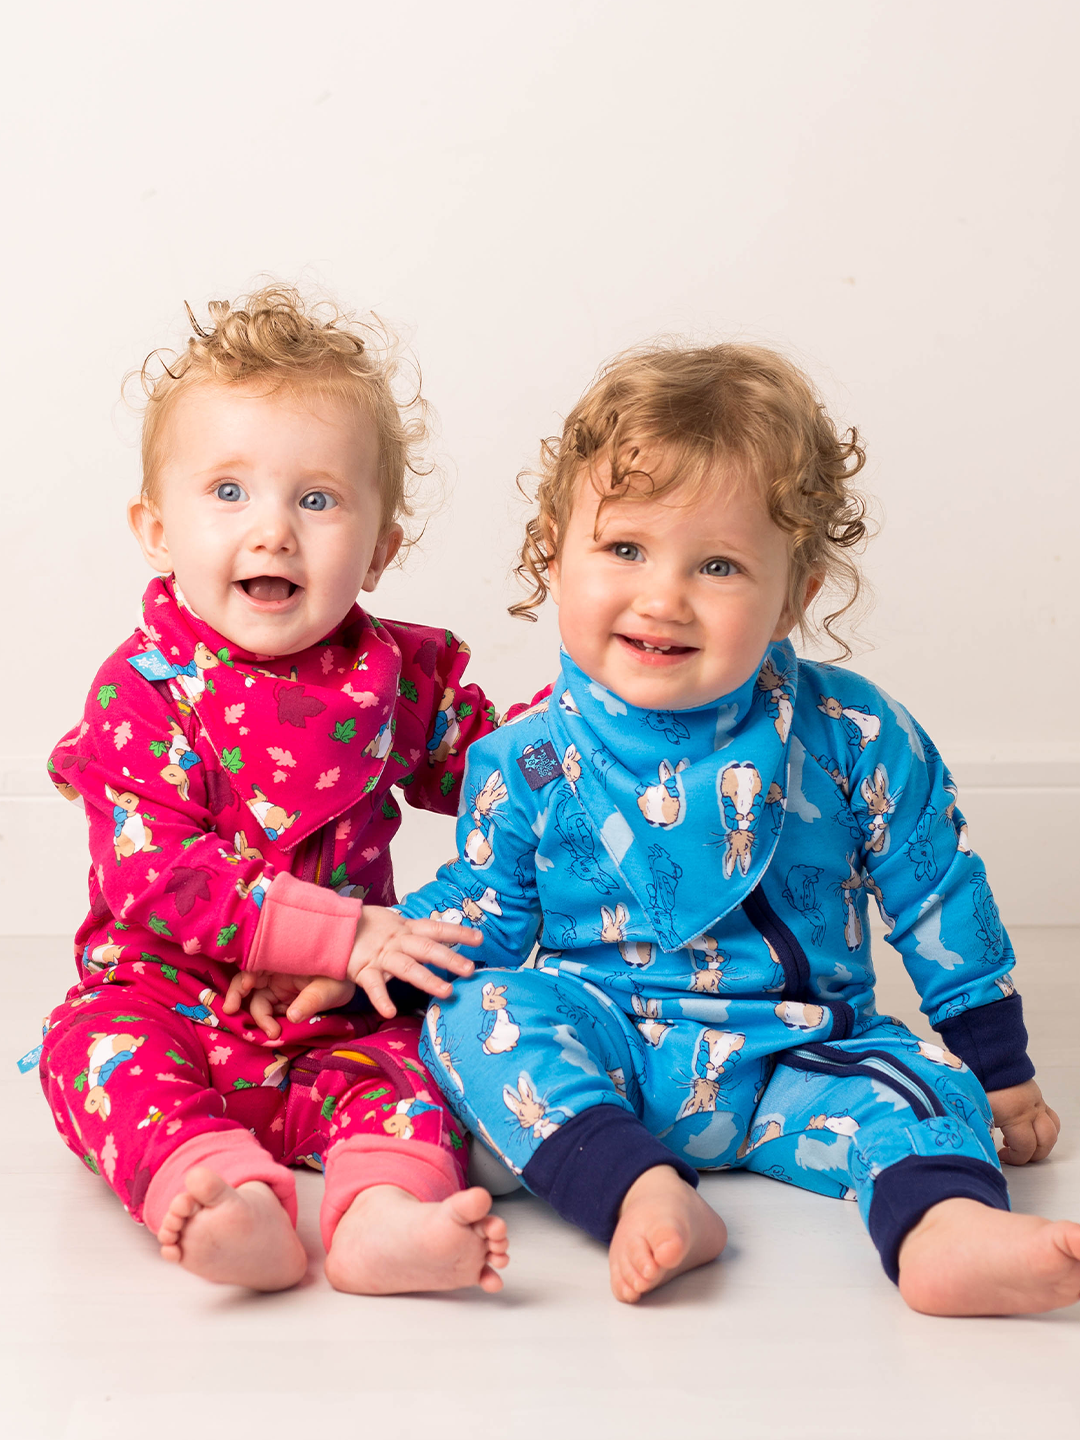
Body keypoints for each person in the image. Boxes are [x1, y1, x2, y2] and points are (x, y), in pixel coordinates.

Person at [299, 340, 1079, 1313]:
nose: (663, 597)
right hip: (610, 1049)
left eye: (718, 565)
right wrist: (362, 961)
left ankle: (944, 1230)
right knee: (478, 1017)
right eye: (625, 549)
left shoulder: (852, 732)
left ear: (792, 596)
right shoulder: (529, 758)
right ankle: (639, 1190)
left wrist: (999, 1069)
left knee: (923, 1083)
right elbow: (485, 913)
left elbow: (937, 890)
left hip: (800, 1057)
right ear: (555, 554)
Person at [40, 286, 508, 1295]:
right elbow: (159, 874)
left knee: (422, 1065)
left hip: (340, 1015)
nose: (273, 532)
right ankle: (218, 1190)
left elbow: (499, 777)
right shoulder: (144, 689)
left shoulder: (394, 678)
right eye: (228, 491)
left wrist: (596, 720)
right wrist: (343, 930)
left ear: (379, 549)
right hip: (168, 998)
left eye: (317, 499)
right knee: (89, 1053)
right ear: (157, 530)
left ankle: (384, 1216)